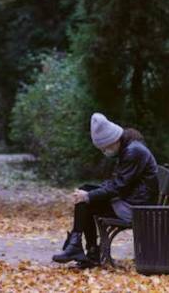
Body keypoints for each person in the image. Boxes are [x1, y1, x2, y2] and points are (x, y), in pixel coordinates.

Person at [52, 112, 159, 266]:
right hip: (133, 198)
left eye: (105, 148)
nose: (105, 152)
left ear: (114, 141)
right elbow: (119, 182)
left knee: (87, 201)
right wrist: (89, 193)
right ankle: (81, 248)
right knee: (85, 190)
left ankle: (86, 250)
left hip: (137, 206)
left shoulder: (132, 152)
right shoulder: (128, 147)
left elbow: (118, 186)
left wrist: (89, 196)